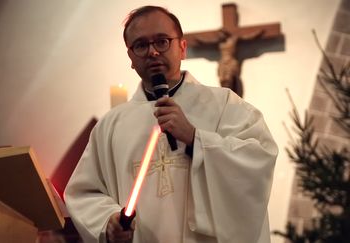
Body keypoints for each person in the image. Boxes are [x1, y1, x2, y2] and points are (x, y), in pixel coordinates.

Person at [64, 5, 277, 243]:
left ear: (182, 47)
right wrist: (107, 221)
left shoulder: (225, 105)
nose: (152, 52)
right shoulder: (110, 127)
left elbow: (258, 159)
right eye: (141, 45)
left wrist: (196, 138)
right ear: (131, 58)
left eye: (162, 41)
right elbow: (83, 193)